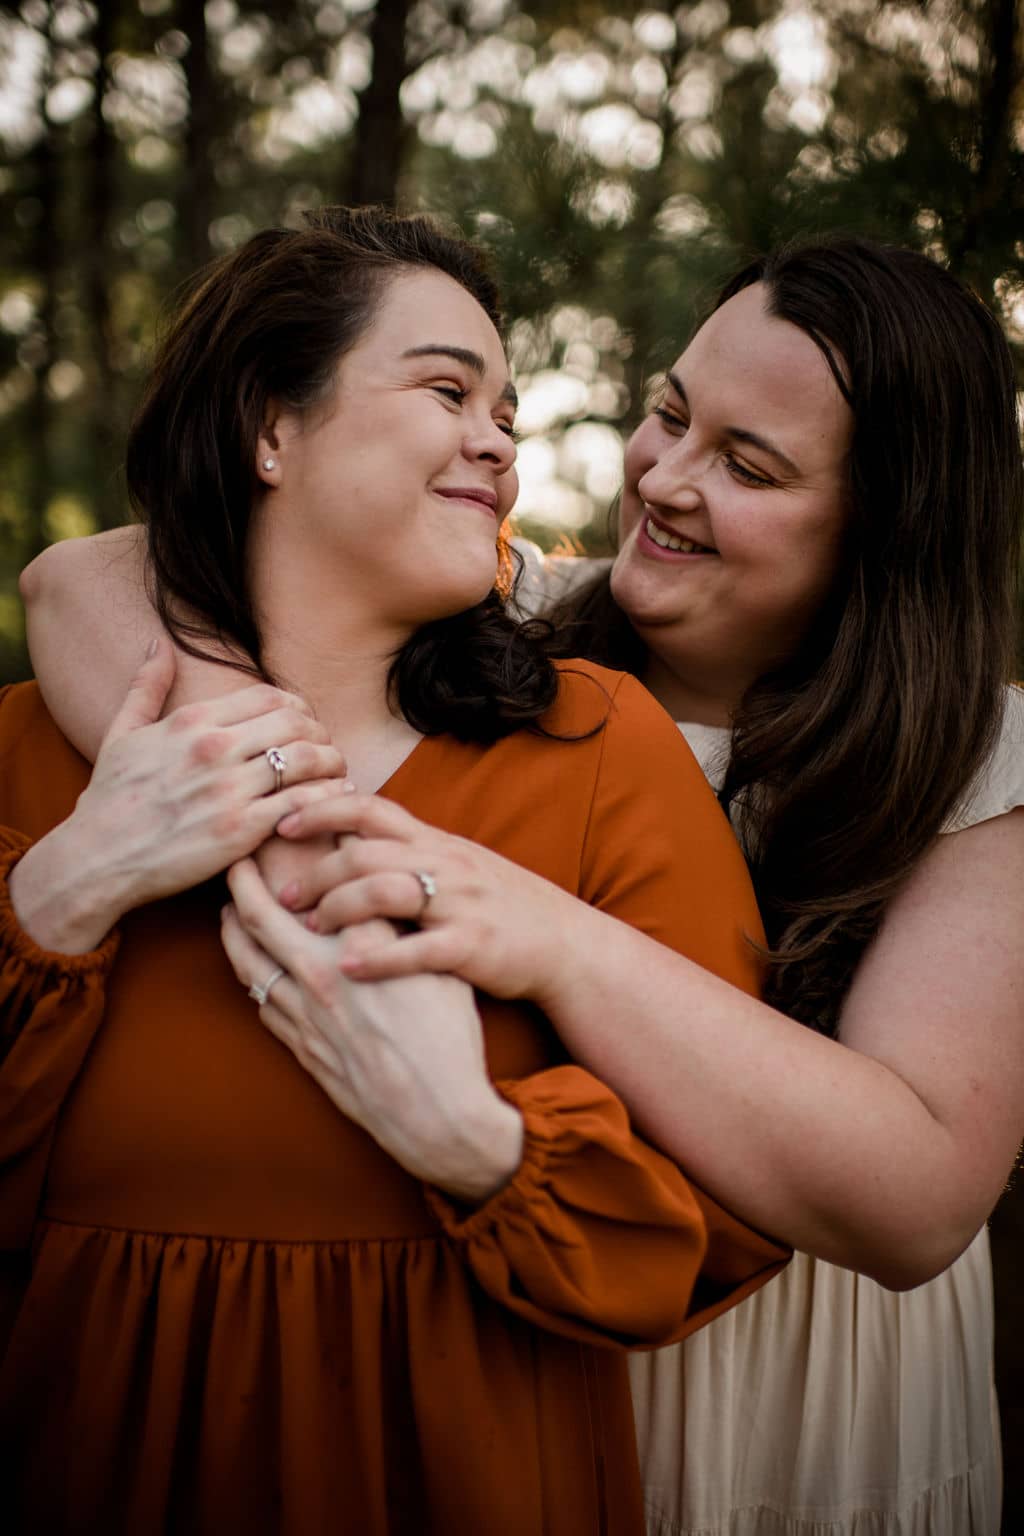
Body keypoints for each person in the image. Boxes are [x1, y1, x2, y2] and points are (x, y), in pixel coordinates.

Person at [22, 236, 1024, 1533]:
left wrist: (554, 936)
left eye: (748, 464)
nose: (663, 476)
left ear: (887, 526)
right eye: (670, 413)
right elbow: (87, 575)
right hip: (509, 1353)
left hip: (801, 1389)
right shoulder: (523, 622)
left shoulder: (979, 768)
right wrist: (269, 821)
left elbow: (916, 1196)